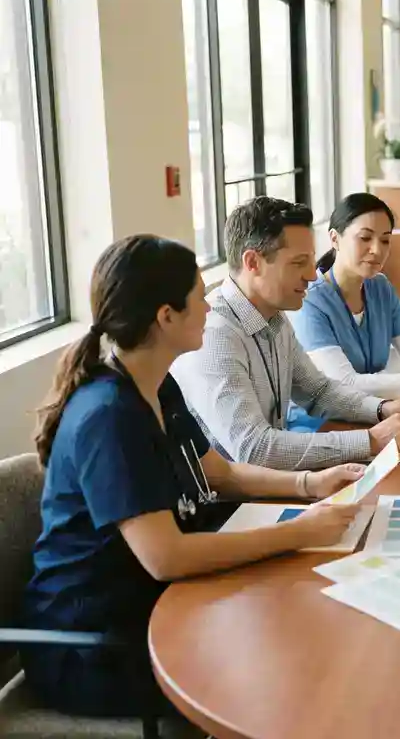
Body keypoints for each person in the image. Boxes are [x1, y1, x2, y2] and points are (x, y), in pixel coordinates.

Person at [20, 236, 368, 722]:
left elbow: (218, 473)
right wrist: (296, 533)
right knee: (290, 668)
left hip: (161, 603)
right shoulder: (109, 416)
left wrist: (311, 485)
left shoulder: (157, 384)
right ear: (165, 316)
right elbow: (165, 557)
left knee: (309, 623)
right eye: (198, 297)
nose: (209, 306)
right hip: (94, 644)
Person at [172, 197, 400, 470]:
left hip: (271, 482)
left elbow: (318, 392)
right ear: (253, 262)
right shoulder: (215, 335)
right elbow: (253, 449)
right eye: (299, 262)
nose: (312, 275)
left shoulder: (275, 316)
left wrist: (381, 408)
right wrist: (371, 440)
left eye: (312, 260)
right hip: (230, 504)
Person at [288, 193, 400, 430]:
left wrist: (376, 383)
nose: (377, 250)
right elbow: (343, 384)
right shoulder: (311, 301)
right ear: (335, 239)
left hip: (378, 410)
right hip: (321, 424)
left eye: (385, 240)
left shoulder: (380, 287)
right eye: (365, 238)